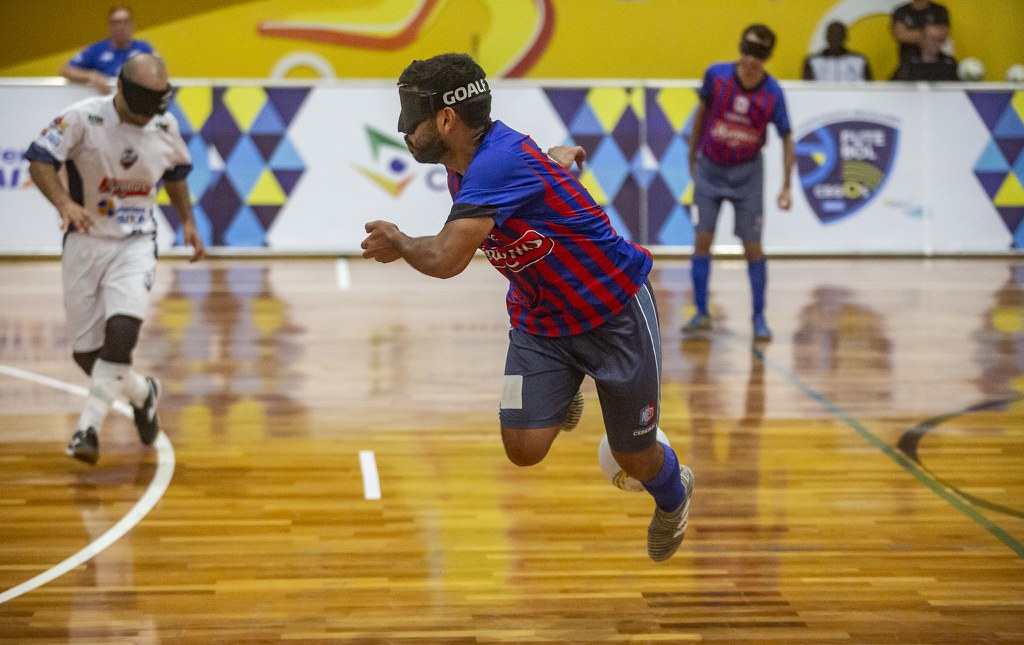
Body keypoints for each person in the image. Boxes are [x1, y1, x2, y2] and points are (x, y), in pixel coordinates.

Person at [360, 53, 694, 562]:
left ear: (447, 119)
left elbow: (448, 259)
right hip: (541, 320)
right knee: (522, 450)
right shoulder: (479, 159)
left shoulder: (495, 163)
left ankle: (674, 496)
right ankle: (564, 388)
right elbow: (522, 167)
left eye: (413, 119)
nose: (405, 133)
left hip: (613, 311)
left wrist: (402, 241)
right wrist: (550, 162)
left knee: (633, 455)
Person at [27, 53, 206, 465]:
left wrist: (189, 223)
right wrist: (64, 204)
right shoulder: (82, 118)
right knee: (87, 355)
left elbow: (176, 175)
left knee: (122, 332)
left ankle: (87, 428)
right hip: (85, 241)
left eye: (158, 105)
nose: (148, 117)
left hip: (136, 241)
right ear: (121, 88)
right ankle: (145, 393)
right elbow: (39, 159)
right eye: (143, 105)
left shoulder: (165, 125)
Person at [682, 24, 795, 342]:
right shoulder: (716, 76)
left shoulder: (772, 93)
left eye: (758, 53)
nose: (749, 59)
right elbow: (700, 115)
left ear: (768, 57)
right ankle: (701, 312)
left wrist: (786, 185)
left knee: (753, 246)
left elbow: (787, 138)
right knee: (702, 240)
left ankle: (759, 316)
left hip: (747, 174)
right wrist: (692, 157)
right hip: (711, 169)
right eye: (747, 49)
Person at [61, 6, 156, 94]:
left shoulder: (144, 48)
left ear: (132, 25)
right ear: (109, 26)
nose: (121, 27)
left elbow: (159, 74)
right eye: (116, 22)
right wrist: (92, 76)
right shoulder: (96, 49)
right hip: (104, 103)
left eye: (125, 21)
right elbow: (66, 71)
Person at [802, 21, 872, 81]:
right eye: (832, 34)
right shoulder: (812, 61)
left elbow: (869, 88)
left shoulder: (859, 61)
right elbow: (807, 89)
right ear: (826, 37)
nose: (835, 38)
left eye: (839, 35)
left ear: (845, 37)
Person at [890, 23, 958, 81]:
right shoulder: (909, 63)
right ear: (922, 40)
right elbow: (894, 86)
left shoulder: (949, 62)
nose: (936, 43)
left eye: (939, 40)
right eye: (932, 39)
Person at [891, 0, 951, 64]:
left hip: (937, 61)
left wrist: (913, 34)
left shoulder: (939, 10)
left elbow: (943, 33)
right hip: (909, 60)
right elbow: (901, 36)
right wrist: (929, 34)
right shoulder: (901, 11)